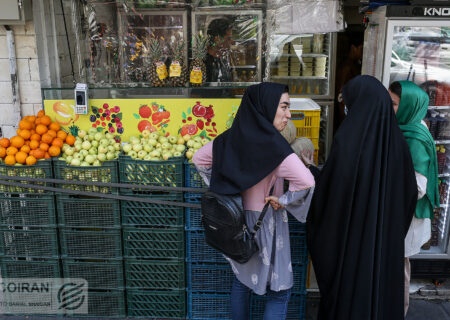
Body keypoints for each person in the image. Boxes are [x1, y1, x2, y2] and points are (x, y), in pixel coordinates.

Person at [193, 82, 315, 320]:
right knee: (280, 291)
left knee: (242, 281)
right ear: (267, 107)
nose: (288, 115)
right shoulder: (277, 148)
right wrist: (285, 200)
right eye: (284, 107)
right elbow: (307, 181)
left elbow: (200, 159)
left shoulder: (229, 139)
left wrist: (225, 189)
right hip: (266, 221)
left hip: (235, 222)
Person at [306, 75, 418, 320]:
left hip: (351, 250)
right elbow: (409, 196)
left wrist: (313, 172)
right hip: (383, 246)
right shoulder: (398, 144)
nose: (346, 108)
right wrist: (387, 231)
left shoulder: (348, 142)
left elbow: (332, 195)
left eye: (348, 102)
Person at [388, 81, 440, 316]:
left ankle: (398, 311)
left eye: (394, 104)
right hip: (401, 214)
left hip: (408, 216)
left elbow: (417, 187)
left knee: (399, 270)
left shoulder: (415, 138)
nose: (389, 108)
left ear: (409, 105)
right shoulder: (405, 127)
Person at [206, 18, 234, 82]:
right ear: (217, 39)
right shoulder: (203, 63)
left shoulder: (225, 57)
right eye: (229, 38)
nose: (232, 42)